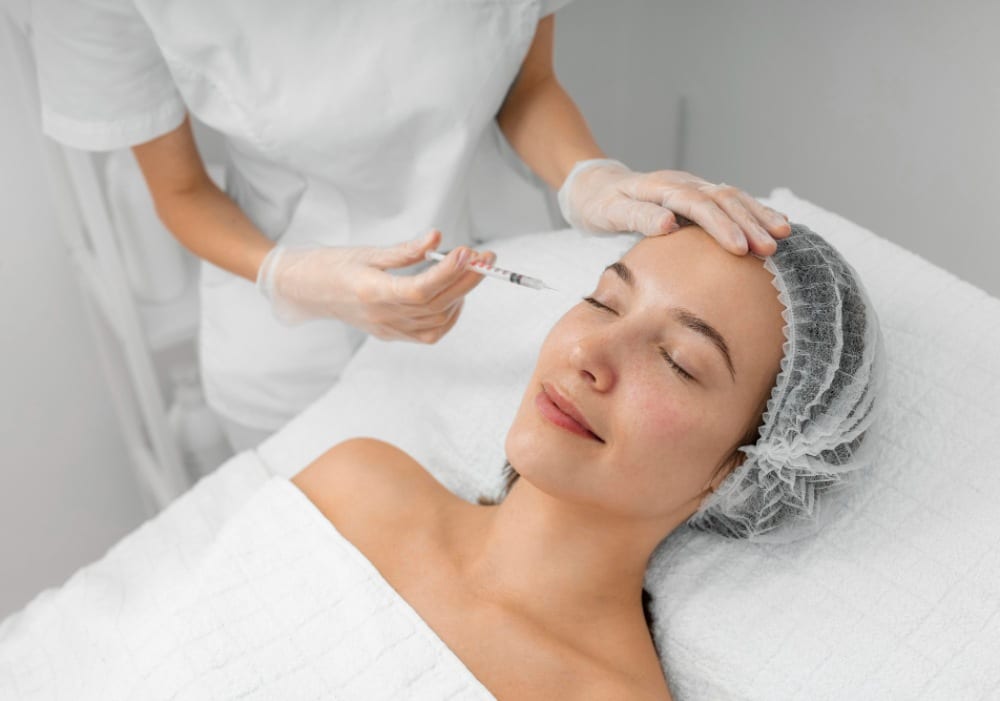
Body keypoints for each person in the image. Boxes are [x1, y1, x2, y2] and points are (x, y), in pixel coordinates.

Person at [31, 1, 793, 452]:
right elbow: (180, 190)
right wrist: (290, 274)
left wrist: (591, 175)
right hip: (290, 346)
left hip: (496, 286)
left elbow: (526, 89)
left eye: (683, 360)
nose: (602, 352)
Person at [290, 223, 887, 699]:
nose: (587, 352)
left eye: (678, 360)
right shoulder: (355, 485)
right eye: (603, 302)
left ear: (745, 470)